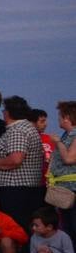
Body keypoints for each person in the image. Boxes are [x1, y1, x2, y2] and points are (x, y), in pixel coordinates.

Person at [0, 96, 47, 243]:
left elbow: (16, 159)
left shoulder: (17, 131)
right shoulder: (25, 128)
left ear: (8, 113)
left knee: (16, 226)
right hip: (22, 188)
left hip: (16, 190)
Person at [50, 101, 76, 238]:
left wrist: (58, 143)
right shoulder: (67, 135)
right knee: (67, 226)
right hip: (64, 189)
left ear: (67, 117)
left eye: (60, 115)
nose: (58, 119)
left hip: (72, 190)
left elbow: (69, 159)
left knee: (73, 225)